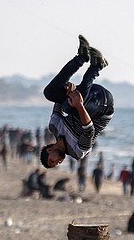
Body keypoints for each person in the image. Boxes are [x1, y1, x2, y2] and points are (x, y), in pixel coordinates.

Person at [40, 35, 113, 168]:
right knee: (69, 108)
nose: (58, 162)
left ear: (49, 150)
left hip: (91, 92)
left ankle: (81, 57)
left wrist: (67, 89)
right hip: (103, 105)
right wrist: (79, 105)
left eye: (52, 161)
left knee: (49, 93)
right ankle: (96, 66)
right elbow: (89, 131)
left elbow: (58, 101)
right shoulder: (77, 152)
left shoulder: (54, 126)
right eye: (55, 164)